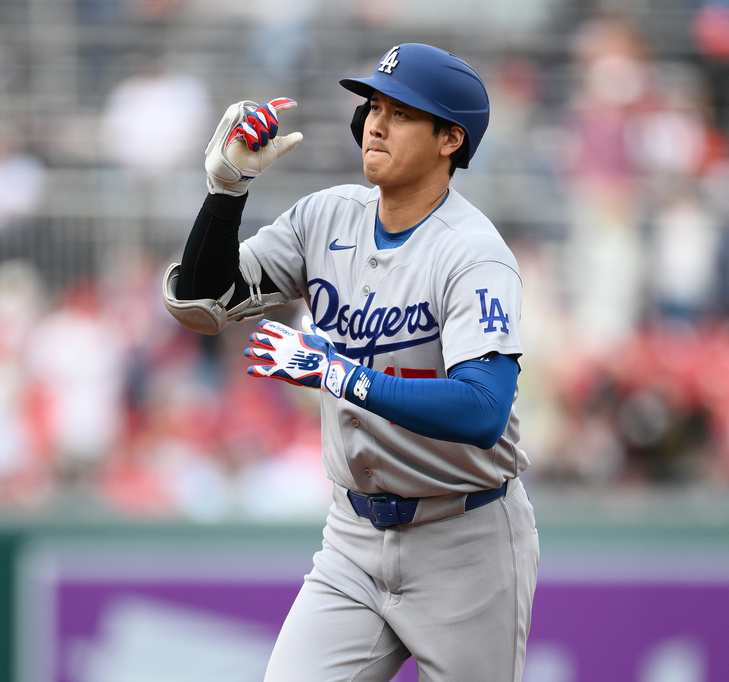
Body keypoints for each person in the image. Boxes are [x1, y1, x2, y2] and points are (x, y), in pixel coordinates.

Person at [163, 43, 539, 681]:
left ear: (451, 138)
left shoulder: (474, 254)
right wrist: (226, 191)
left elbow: (482, 408)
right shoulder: (325, 217)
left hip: (465, 536)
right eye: (372, 106)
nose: (375, 122)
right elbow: (204, 302)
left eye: (401, 112)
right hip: (353, 538)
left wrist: (335, 373)